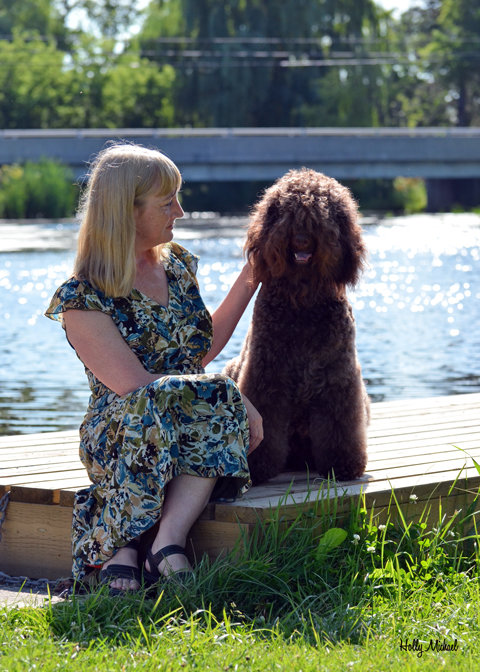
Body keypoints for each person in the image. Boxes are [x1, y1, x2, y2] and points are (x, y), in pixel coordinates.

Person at [45, 143, 262, 594]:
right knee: (174, 401)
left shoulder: (177, 265)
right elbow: (135, 386)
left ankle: (165, 542)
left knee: (209, 397)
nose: (180, 212)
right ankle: (123, 545)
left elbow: (197, 351)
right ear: (127, 210)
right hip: (123, 429)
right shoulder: (82, 296)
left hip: (187, 415)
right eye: (167, 203)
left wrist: (251, 277)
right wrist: (230, 394)